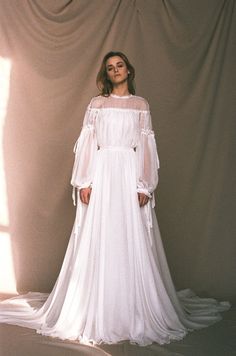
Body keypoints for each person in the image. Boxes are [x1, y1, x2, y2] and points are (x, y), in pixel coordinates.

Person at [0, 51, 230, 346]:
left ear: (128, 70)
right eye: (110, 67)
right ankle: (96, 305)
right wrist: (84, 180)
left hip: (127, 173)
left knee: (127, 235)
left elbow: (146, 147)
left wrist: (144, 185)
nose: (116, 70)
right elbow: (87, 144)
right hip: (103, 171)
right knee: (101, 234)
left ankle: (130, 308)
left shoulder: (140, 105)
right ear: (106, 74)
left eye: (119, 65)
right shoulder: (97, 104)